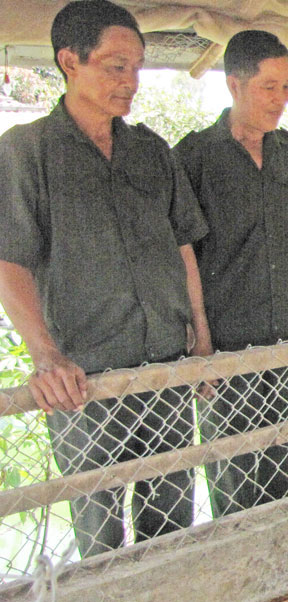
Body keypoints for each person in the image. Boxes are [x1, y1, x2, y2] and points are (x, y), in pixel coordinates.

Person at [0, 0, 212, 557]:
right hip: (84, 378)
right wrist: (45, 355)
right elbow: (8, 259)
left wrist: (203, 339)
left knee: (170, 519)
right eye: (116, 66)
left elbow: (183, 246)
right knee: (100, 531)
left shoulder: (151, 150)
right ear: (70, 61)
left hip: (165, 365)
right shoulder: (27, 151)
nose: (131, 81)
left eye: (137, 67)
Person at [174, 30, 288, 517]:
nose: (282, 99)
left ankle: (281, 571)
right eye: (270, 87)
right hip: (224, 343)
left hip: (285, 336)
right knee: (231, 471)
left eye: (287, 86)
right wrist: (200, 336)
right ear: (234, 85)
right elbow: (182, 253)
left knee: (283, 460)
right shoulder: (194, 156)